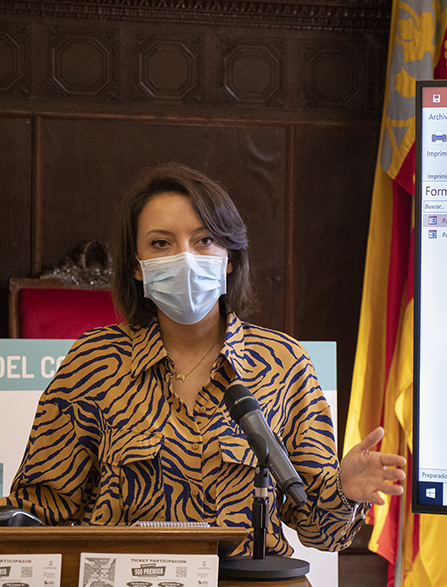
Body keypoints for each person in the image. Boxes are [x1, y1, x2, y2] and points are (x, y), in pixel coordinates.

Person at [0, 162, 406, 555]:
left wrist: (345, 492)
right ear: (137, 266)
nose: (185, 258)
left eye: (204, 240)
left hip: (247, 582)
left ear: (229, 257)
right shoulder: (94, 361)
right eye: (161, 243)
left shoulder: (284, 363)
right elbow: (39, 508)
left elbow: (322, 533)